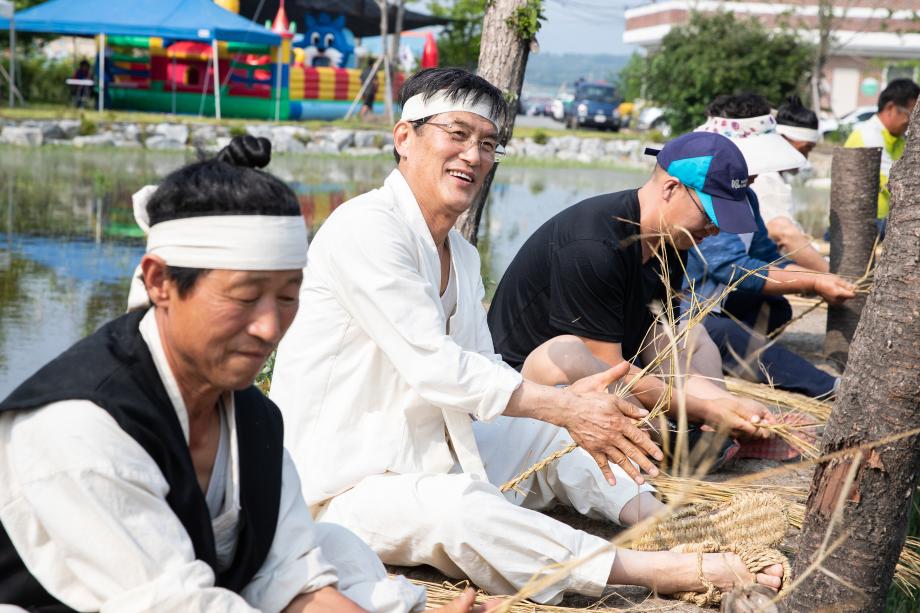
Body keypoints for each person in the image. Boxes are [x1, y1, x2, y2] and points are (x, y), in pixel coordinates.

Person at [270, 67, 784, 605]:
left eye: (488, 143)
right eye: (457, 134)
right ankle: (658, 570)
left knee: (557, 437)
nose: (473, 154)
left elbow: (483, 365)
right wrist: (560, 404)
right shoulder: (366, 228)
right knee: (463, 511)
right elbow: (436, 368)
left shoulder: (462, 256)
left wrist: (568, 408)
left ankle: (662, 521)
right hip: (343, 486)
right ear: (405, 137)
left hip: (435, 452)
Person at [0, 136, 485, 613]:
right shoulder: (80, 427)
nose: (271, 327)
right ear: (159, 282)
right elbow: (177, 605)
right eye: (245, 296)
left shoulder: (253, 418)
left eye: (289, 295)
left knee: (333, 545)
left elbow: (292, 581)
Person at [487, 130, 780, 459]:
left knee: (689, 333)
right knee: (574, 356)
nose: (714, 230)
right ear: (671, 187)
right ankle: (682, 444)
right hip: (533, 385)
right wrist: (706, 407)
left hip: (612, 368)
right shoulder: (593, 245)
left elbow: (660, 341)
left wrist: (723, 403)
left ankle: (718, 433)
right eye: (711, 216)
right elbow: (607, 367)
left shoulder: (673, 240)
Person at [689, 94, 856, 397]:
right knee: (725, 334)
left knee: (774, 309)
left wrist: (816, 279)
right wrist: (814, 280)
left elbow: (766, 256)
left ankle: (725, 358)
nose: (754, 173)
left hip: (717, 303)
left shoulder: (746, 197)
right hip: (681, 314)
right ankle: (829, 387)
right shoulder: (698, 195)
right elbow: (732, 269)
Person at [750, 95, 828, 272]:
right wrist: (833, 277)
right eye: (804, 149)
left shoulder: (775, 177)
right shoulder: (764, 177)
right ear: (783, 140)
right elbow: (783, 234)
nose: (805, 159)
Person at [845, 78, 919, 235]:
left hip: (886, 220)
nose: (912, 121)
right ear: (890, 107)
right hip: (864, 223)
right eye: (910, 114)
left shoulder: (900, 139)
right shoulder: (868, 136)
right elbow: (892, 182)